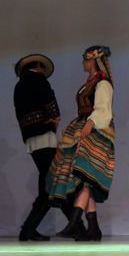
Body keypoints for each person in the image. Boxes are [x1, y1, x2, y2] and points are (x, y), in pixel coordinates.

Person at [47, 46, 115, 242]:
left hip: (97, 131)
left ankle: (74, 223)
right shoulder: (90, 83)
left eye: (86, 59)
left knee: (86, 177)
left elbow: (103, 110)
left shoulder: (103, 84)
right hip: (85, 127)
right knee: (86, 179)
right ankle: (93, 229)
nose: (83, 63)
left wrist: (91, 123)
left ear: (93, 61)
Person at [13, 54, 67, 241]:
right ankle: (28, 228)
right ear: (39, 67)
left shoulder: (19, 86)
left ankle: (77, 225)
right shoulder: (40, 81)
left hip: (30, 138)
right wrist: (54, 122)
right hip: (44, 134)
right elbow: (53, 108)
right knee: (50, 183)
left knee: (51, 181)